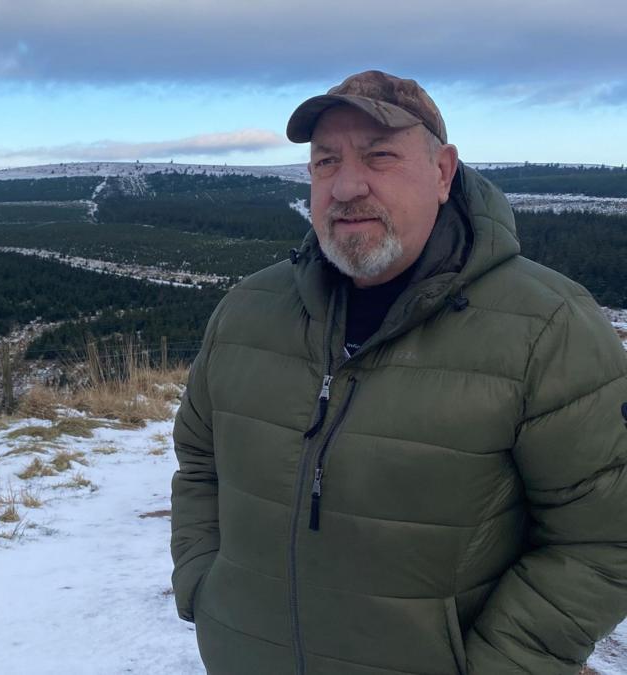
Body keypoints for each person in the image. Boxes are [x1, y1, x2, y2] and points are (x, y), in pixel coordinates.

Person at [170, 70, 627, 674]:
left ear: (443, 172)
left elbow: (603, 537)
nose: (346, 185)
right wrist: (205, 586)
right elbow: (200, 464)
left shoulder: (547, 327)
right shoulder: (248, 312)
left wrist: (503, 664)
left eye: (379, 156)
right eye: (325, 161)